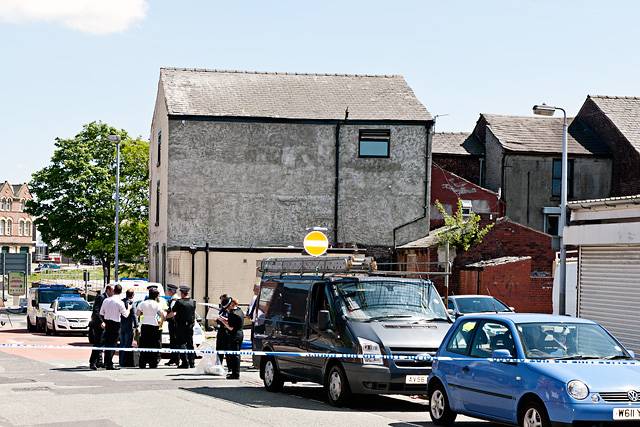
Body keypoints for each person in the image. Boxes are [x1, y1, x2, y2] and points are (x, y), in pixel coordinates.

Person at [99, 284, 130, 370]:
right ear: (120, 292)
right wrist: (129, 308)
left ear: (114, 290)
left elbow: (101, 313)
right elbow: (126, 315)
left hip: (107, 323)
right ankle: (109, 363)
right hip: (115, 324)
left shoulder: (106, 300)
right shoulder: (120, 302)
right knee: (113, 344)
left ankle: (106, 362)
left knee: (107, 343)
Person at [167, 285, 196, 369]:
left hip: (180, 326)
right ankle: (192, 362)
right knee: (190, 344)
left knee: (181, 343)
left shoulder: (179, 302)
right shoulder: (193, 301)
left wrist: (166, 317)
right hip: (190, 326)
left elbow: (173, 312)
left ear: (182, 293)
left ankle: (185, 362)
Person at [137, 287, 165, 369]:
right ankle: (153, 363)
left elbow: (138, 313)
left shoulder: (142, 303)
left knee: (144, 343)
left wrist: (144, 312)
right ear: (156, 296)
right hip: (154, 325)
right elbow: (162, 315)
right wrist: (161, 322)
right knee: (153, 344)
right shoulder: (157, 304)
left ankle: (142, 363)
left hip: (145, 325)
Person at [218, 296, 244, 380]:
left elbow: (231, 327)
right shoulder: (239, 310)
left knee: (234, 355)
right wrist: (224, 319)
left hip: (235, 335)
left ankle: (235, 374)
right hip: (240, 333)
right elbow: (232, 322)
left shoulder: (232, 314)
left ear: (230, 305)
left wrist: (222, 321)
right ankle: (234, 372)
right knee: (235, 354)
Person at [89, 285, 113, 370]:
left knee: (102, 343)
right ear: (108, 290)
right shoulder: (101, 297)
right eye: (112, 291)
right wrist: (101, 321)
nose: (113, 293)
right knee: (98, 343)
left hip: (105, 323)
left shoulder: (109, 299)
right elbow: (96, 310)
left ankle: (99, 362)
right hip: (98, 324)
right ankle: (92, 362)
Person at [118, 289, 138, 367]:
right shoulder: (131, 304)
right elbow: (134, 315)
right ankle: (125, 362)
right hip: (129, 327)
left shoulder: (121, 302)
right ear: (132, 295)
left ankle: (121, 361)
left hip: (121, 326)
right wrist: (137, 326)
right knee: (127, 345)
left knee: (121, 344)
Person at [164, 284, 180, 366]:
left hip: (173, 323)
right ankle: (174, 358)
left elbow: (173, 312)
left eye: (168, 290)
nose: (168, 292)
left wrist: (165, 317)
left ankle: (175, 359)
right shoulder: (174, 299)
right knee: (173, 341)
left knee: (174, 341)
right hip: (174, 323)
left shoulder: (174, 300)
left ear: (172, 291)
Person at [215, 293, 229, 365]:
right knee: (219, 348)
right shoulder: (222, 309)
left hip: (226, 331)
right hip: (220, 331)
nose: (221, 302)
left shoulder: (227, 310)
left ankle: (229, 366)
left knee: (226, 349)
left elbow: (227, 320)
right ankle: (218, 364)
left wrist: (221, 319)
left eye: (222, 300)